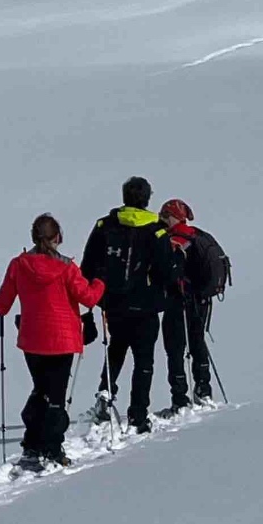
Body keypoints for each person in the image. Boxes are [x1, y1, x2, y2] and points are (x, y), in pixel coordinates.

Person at [0, 214, 106, 469]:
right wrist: (99, 282)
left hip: (32, 339)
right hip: (63, 340)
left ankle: (32, 443)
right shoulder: (67, 268)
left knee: (41, 390)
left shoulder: (18, 265)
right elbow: (88, 298)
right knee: (55, 396)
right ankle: (52, 447)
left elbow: (1, 306)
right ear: (58, 238)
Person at [80, 178, 179, 433]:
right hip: (146, 304)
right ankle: (138, 414)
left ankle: (105, 392)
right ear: (147, 198)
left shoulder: (105, 226)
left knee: (116, 348)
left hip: (112, 302)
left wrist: (96, 296)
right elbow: (167, 272)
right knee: (144, 359)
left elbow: (88, 264)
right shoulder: (156, 231)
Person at [159, 198, 232, 411]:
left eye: (164, 216)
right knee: (198, 343)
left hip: (180, 299)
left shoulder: (175, 239)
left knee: (174, 347)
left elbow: (169, 272)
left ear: (172, 217)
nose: (161, 220)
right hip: (201, 300)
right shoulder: (198, 235)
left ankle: (180, 398)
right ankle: (203, 389)